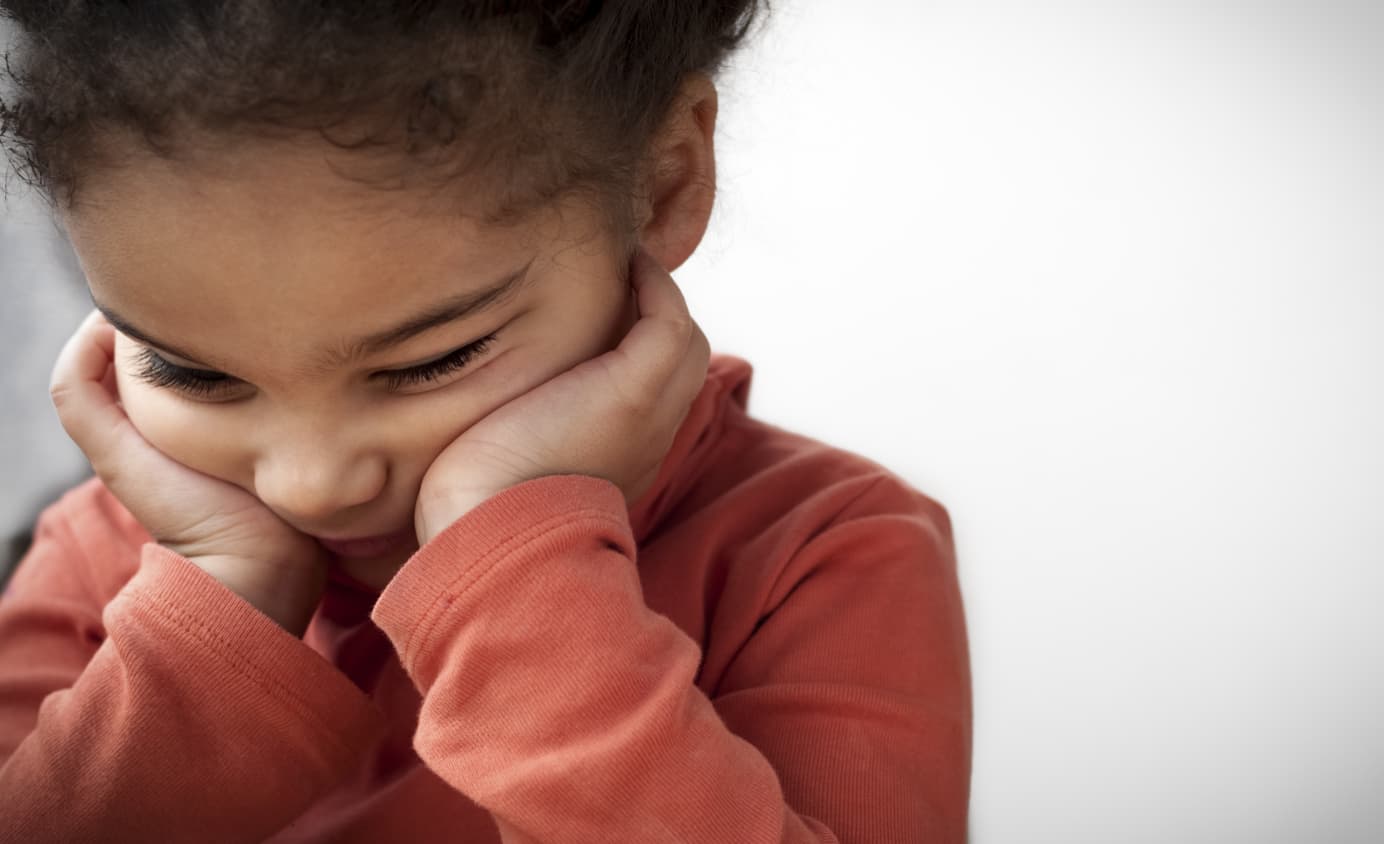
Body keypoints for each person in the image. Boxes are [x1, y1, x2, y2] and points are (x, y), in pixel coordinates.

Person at [0, 3, 972, 841]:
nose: (310, 483)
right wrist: (216, 618)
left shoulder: (822, 554)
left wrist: (511, 569)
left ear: (666, 180)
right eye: (189, 369)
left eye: (430, 360)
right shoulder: (98, 558)